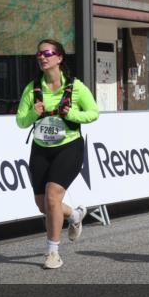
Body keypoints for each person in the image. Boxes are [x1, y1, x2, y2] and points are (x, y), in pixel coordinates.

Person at [16, 39, 99, 270]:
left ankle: (53, 253)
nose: (42, 57)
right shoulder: (32, 88)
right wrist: (34, 113)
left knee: (53, 197)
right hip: (41, 149)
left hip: (69, 147)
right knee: (44, 205)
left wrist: (72, 114)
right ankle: (74, 215)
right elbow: (20, 121)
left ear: (59, 58)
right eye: (39, 54)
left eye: (48, 53)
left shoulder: (76, 87)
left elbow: (93, 113)